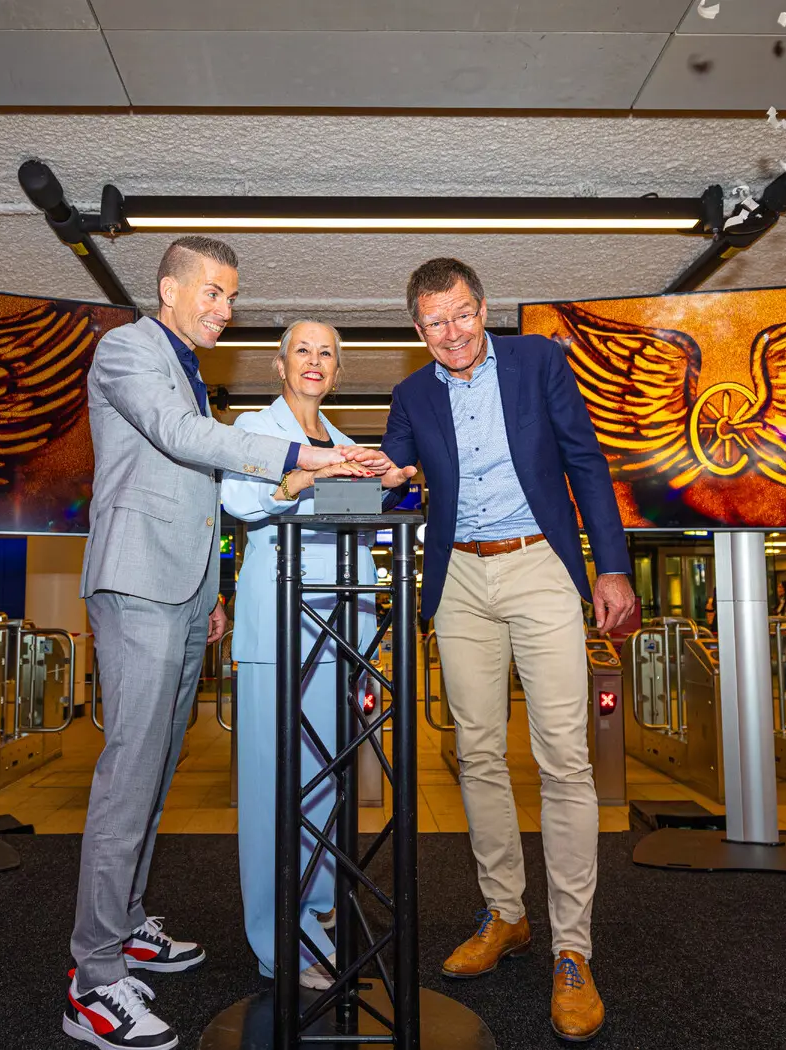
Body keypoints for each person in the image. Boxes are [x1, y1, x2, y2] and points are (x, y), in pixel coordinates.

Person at [63, 236, 354, 1050]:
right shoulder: (128, 349)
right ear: (169, 287)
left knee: (157, 766)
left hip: (186, 587)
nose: (226, 309)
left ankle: (123, 923)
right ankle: (93, 979)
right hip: (139, 578)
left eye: (231, 297)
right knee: (129, 771)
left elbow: (193, 493)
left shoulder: (189, 366)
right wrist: (304, 456)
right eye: (216, 293)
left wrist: (215, 589)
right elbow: (182, 440)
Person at [374, 257, 633, 1043]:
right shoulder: (412, 394)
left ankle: (572, 949)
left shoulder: (539, 360)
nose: (449, 333)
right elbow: (394, 484)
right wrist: (396, 476)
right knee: (478, 753)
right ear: (417, 329)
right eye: (432, 323)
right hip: (459, 581)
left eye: (460, 314)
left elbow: (585, 461)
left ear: (481, 309)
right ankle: (507, 915)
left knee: (563, 756)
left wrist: (612, 566)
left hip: (539, 567)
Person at [220, 320, 377, 991]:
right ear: (279, 364)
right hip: (278, 635)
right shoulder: (253, 430)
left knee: (325, 790)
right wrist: (286, 486)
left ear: (337, 370)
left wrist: (366, 646)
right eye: (303, 351)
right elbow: (237, 500)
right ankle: (278, 941)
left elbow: (360, 546)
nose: (315, 362)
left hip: (336, 638)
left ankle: (315, 913)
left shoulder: (344, 444)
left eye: (327, 354)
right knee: (271, 792)